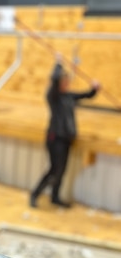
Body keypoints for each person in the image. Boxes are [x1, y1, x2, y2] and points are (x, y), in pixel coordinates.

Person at [30, 57, 100, 208]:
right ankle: (35, 194)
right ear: (59, 82)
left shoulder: (68, 96)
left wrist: (94, 88)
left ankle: (55, 197)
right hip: (55, 138)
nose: (67, 83)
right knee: (54, 169)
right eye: (64, 81)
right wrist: (58, 63)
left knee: (61, 170)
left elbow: (87, 95)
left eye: (68, 81)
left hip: (66, 139)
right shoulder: (53, 96)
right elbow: (54, 78)